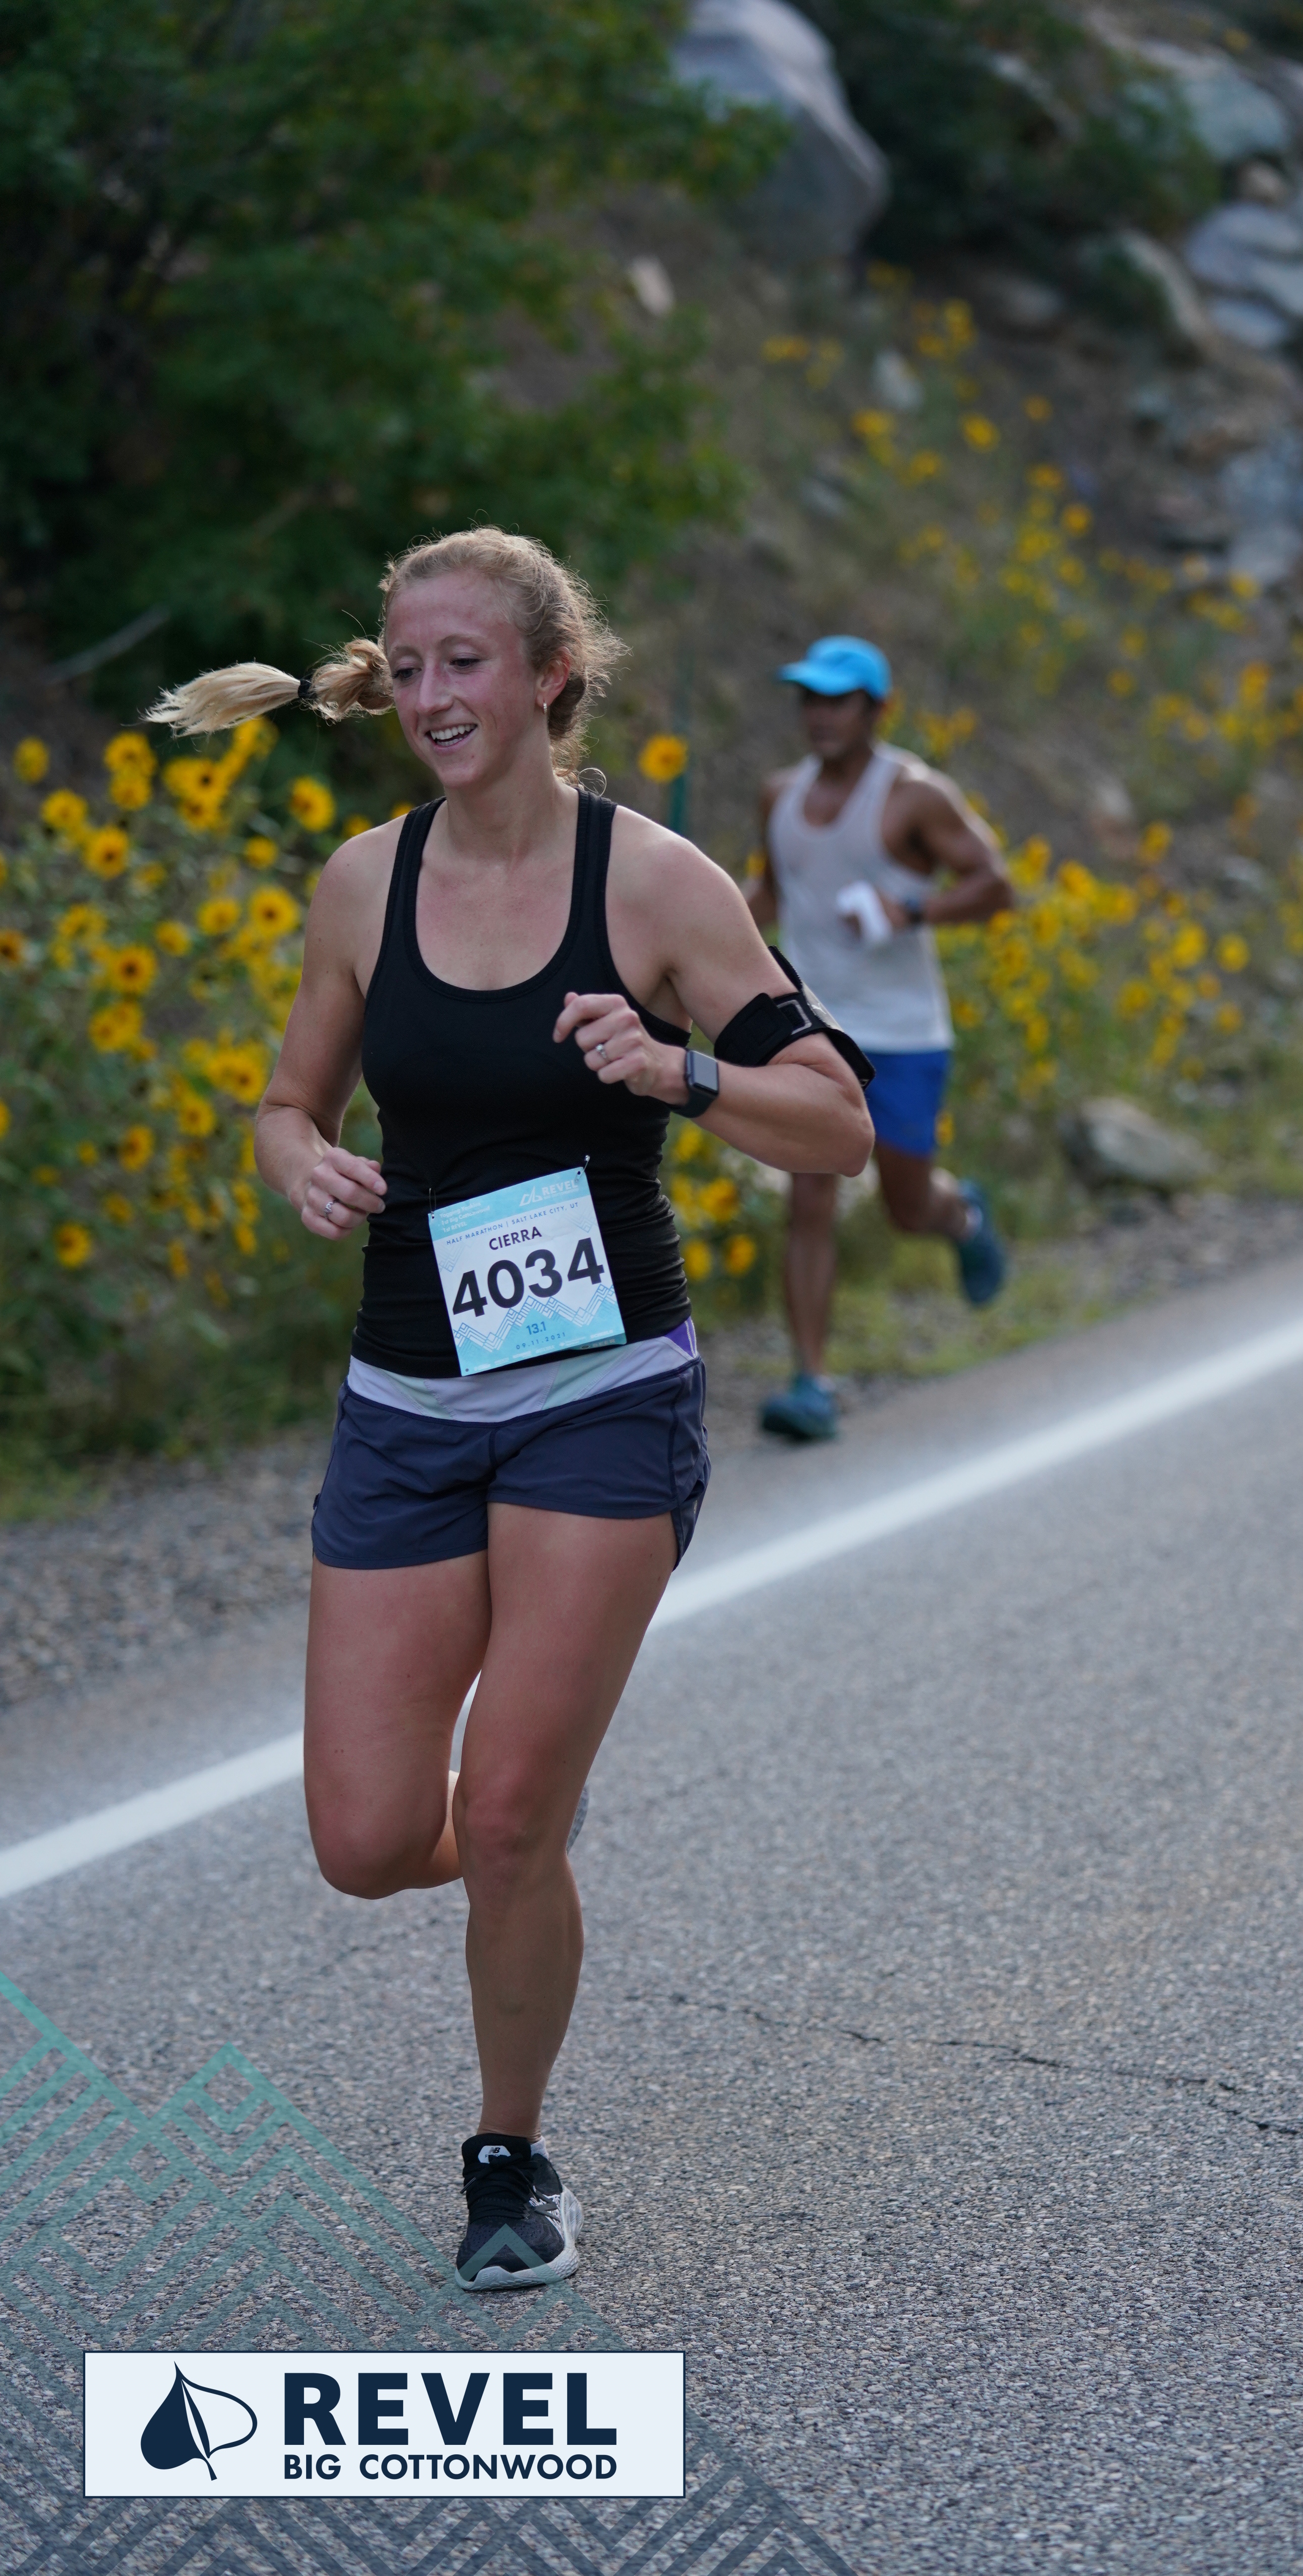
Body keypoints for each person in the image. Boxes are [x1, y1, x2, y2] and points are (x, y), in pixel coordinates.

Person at [148, 530, 872, 2288]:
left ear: (552, 674)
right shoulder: (361, 884)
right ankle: (518, 1842)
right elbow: (287, 1100)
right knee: (365, 1840)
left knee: (510, 1819)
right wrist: (298, 1161)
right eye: (406, 668)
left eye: (462, 662)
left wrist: (680, 1069)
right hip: (407, 1398)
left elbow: (835, 1119)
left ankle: (508, 2154)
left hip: (599, 1396)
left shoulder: (656, 885)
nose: (430, 696)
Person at [749, 634, 1014, 1442]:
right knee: (809, 1197)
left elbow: (994, 884)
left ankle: (960, 1218)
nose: (820, 715)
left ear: (876, 709)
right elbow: (770, 892)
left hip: (902, 1034)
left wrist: (910, 910)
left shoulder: (914, 796)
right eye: (809, 699)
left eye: (838, 700)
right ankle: (810, 1382)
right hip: (811, 1029)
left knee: (906, 1206)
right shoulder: (778, 795)